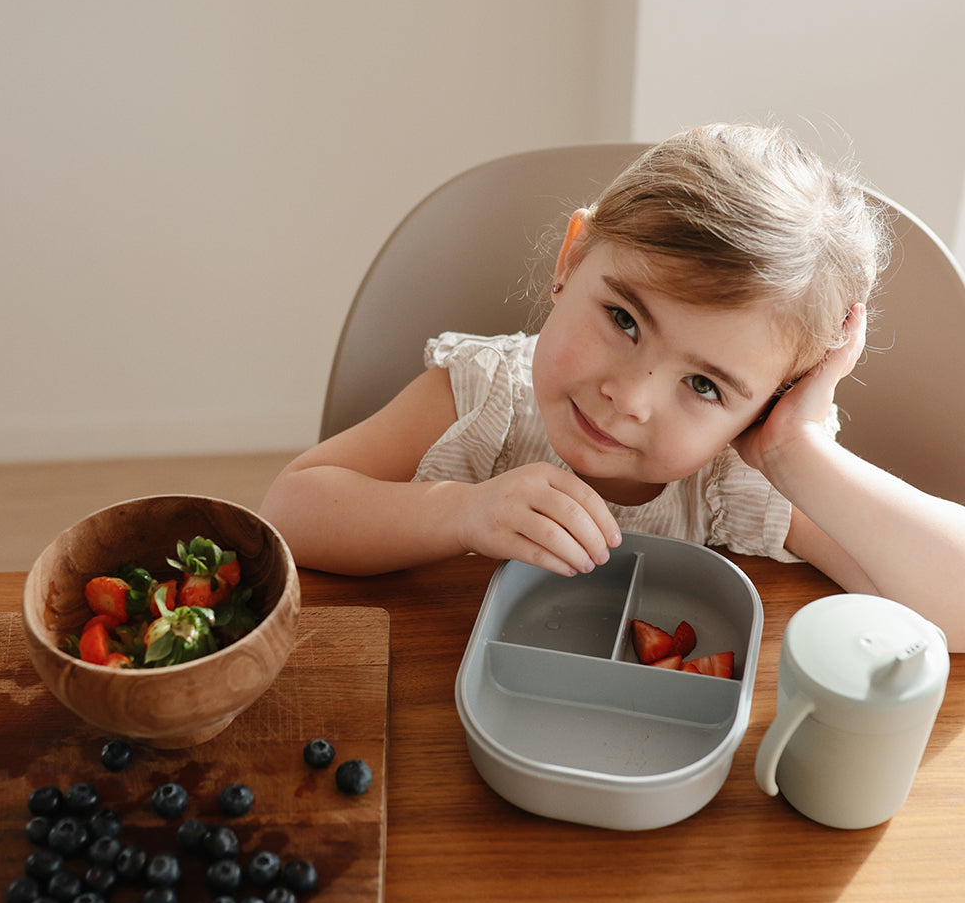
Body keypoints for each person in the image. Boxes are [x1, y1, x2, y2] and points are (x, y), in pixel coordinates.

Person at [260, 124, 965, 649]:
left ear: (769, 403)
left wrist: (796, 449)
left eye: (705, 385)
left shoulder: (742, 477)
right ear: (573, 256)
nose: (631, 398)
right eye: (624, 319)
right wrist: (461, 512)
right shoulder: (485, 399)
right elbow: (291, 509)